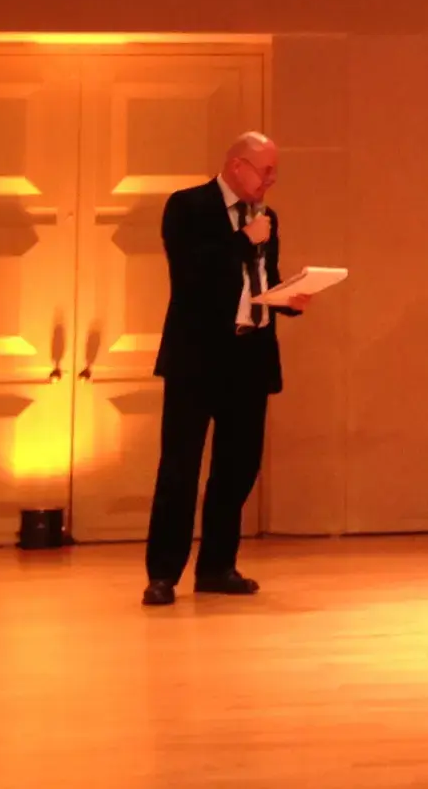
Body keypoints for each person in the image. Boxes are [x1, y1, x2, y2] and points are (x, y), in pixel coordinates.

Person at [142, 132, 313, 606]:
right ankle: (162, 574)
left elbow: (259, 281)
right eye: (265, 170)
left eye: (275, 171)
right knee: (180, 468)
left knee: (237, 469)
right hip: (196, 359)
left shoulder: (266, 218)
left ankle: (217, 566)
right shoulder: (187, 206)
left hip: (249, 356)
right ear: (238, 166)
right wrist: (241, 240)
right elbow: (190, 275)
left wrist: (288, 299)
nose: (271, 180)